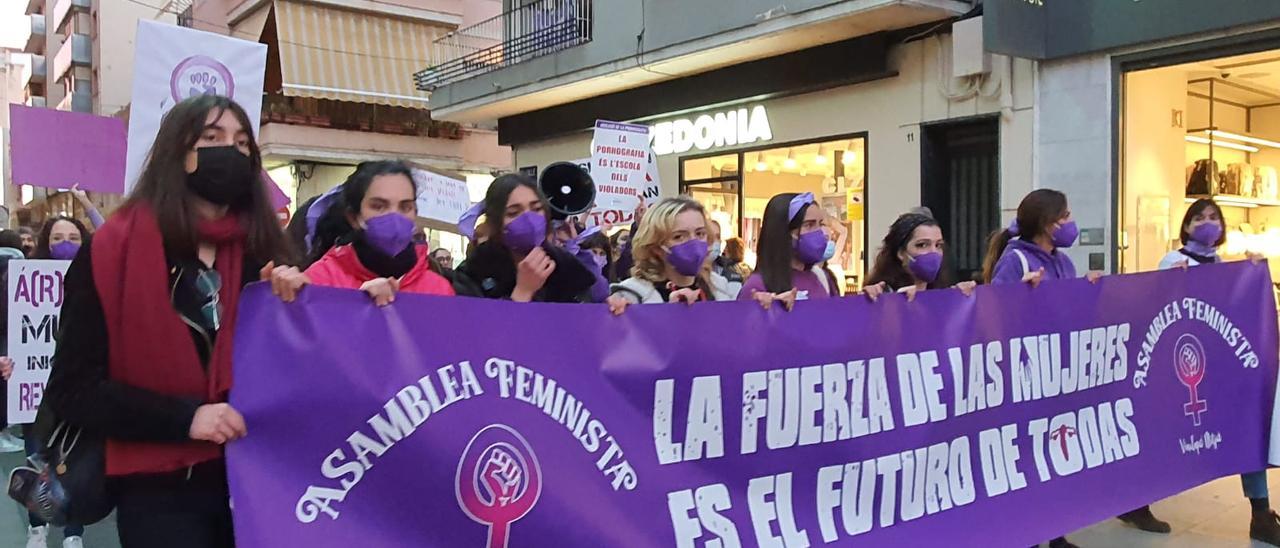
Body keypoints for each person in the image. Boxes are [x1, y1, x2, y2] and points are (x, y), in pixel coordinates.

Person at [43, 94, 302, 548]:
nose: (233, 151)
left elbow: (305, 369)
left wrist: (304, 304)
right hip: (157, 491)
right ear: (178, 154)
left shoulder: (267, 253)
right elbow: (74, 389)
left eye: (243, 143)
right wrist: (186, 419)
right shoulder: (111, 252)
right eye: (213, 138)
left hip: (257, 478)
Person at [1135, 198, 1279, 544]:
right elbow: (1155, 303)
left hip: (1217, 367)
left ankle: (1260, 512)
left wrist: (1252, 275)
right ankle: (1136, 499)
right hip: (1179, 368)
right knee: (1165, 435)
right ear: (1185, 226)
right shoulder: (1174, 261)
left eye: (1214, 217)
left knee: (1246, 429)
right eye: (1199, 217)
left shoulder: (1220, 264)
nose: (1207, 222)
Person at [981, 189, 1098, 548]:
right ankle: (1029, 534)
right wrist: (1019, 294)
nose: (1070, 223)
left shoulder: (1062, 262)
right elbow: (994, 313)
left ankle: (1055, 531)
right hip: (1027, 373)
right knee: (1030, 458)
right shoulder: (1016, 260)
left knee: (1055, 456)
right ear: (1048, 223)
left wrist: (1089, 292)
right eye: (1064, 216)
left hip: (1058, 371)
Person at [16, 217, 95, 548]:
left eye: (75, 237)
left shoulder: (99, 281)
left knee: (76, 465)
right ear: (46, 242)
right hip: (36, 395)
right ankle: (38, 526)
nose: (67, 243)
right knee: (38, 461)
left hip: (82, 390)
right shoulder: (23, 283)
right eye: (59, 237)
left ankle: (73, 533)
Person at [301, 161, 455, 306]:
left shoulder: (438, 289)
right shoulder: (321, 279)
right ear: (354, 217)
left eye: (405, 207)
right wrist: (357, 303)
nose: (394, 217)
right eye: (379, 206)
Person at [455, 174, 595, 302]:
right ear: (495, 222)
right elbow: (476, 326)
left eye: (536, 209)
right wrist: (523, 292)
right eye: (513, 213)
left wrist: (613, 304)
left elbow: (589, 314)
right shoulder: (473, 271)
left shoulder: (566, 265)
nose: (529, 219)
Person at [739, 192, 884, 309]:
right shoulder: (757, 286)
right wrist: (764, 312)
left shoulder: (822, 277)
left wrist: (864, 302)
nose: (820, 233)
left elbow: (837, 323)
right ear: (783, 233)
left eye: (820, 224)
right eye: (809, 225)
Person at [607, 196, 734, 312]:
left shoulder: (720, 287)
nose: (693, 243)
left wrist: (753, 309)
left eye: (700, 233)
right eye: (679, 236)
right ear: (656, 247)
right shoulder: (632, 294)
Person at [865, 210, 976, 300]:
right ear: (901, 253)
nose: (933, 252)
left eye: (938, 245)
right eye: (922, 245)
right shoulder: (882, 294)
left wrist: (963, 299)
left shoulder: (943, 295)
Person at [707, 220, 745, 298]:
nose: (714, 241)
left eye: (718, 237)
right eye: (709, 237)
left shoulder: (732, 272)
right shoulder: (689, 276)